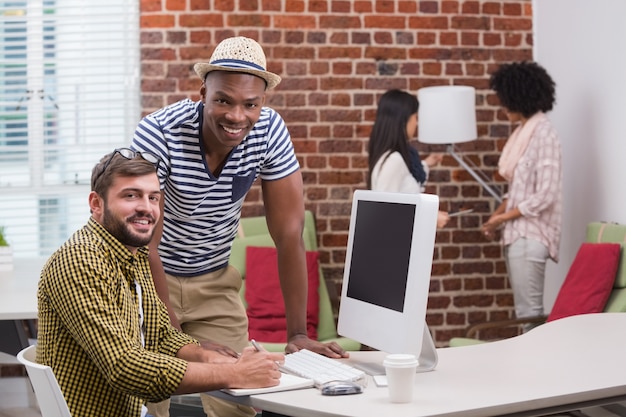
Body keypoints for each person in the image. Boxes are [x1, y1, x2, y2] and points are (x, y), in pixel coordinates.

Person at [131, 36, 348, 417]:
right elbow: (145, 247)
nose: (236, 116)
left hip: (214, 281)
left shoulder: (269, 132)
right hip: (147, 285)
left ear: (263, 102)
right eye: (223, 100)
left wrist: (297, 334)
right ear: (203, 93)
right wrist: (175, 341)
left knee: (241, 403)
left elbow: (289, 235)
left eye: (251, 104)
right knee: (147, 402)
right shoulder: (158, 134)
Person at [36, 148, 284, 417]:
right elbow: (125, 367)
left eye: (153, 197)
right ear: (96, 204)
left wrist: (213, 357)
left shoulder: (135, 252)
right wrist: (233, 374)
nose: (146, 207)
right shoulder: (81, 260)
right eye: (131, 195)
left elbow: (160, 335)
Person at [481, 61, 562, 328]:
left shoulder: (544, 134)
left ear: (520, 97)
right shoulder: (522, 135)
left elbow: (545, 195)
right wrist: (497, 215)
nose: (503, 108)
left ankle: (536, 368)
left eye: (506, 101)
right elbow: (517, 190)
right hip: (517, 236)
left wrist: (503, 219)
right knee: (524, 313)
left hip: (531, 236)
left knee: (530, 315)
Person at [367, 89, 450, 228]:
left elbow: (403, 183)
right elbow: (384, 211)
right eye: (415, 117)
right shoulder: (393, 161)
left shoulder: (391, 157)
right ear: (403, 120)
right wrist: (430, 217)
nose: (416, 123)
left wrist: (427, 163)